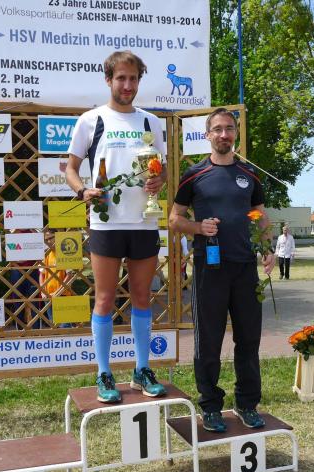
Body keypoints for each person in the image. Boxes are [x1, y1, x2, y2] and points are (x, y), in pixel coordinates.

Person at [65, 50, 167, 403]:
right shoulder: (90, 120)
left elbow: (162, 168)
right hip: (106, 224)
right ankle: (104, 373)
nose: (127, 85)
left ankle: (142, 369)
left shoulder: (151, 122)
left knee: (142, 297)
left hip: (144, 222)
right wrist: (83, 190)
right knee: (105, 299)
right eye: (121, 78)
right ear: (108, 79)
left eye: (133, 78)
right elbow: (70, 168)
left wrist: (160, 181)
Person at [168, 108, 276, 432]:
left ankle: (247, 404)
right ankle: (211, 406)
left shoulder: (249, 175)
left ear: (236, 134)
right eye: (217, 129)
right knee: (209, 341)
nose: (224, 134)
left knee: (249, 339)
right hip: (209, 269)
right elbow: (174, 220)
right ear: (207, 135)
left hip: (244, 268)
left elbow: (260, 216)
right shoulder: (194, 174)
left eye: (229, 128)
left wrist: (267, 248)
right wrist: (198, 227)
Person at [40, 230, 74, 326]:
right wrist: (42, 291)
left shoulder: (65, 252)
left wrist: (58, 292)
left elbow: (69, 275)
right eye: (46, 239)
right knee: (54, 326)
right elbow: (41, 274)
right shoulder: (46, 254)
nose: (48, 241)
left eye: (51, 238)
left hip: (63, 295)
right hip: (48, 295)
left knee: (65, 326)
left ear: (57, 237)